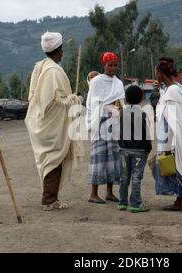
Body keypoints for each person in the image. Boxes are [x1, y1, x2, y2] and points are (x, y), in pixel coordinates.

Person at [25, 31, 84, 211]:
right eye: (62, 50)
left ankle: (51, 197)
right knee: (53, 159)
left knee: (51, 160)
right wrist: (74, 100)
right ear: (58, 51)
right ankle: (49, 200)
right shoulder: (52, 71)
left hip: (46, 124)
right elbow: (54, 100)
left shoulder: (41, 66)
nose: (63, 53)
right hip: (52, 126)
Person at [154, 57, 182, 211]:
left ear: (160, 73)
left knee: (175, 165)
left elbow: (174, 116)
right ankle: (179, 200)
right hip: (172, 133)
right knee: (172, 165)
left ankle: (180, 201)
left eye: (156, 72)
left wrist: (172, 139)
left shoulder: (173, 90)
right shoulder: (175, 88)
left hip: (173, 134)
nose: (155, 76)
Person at [86, 52, 125, 204]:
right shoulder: (97, 81)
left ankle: (110, 192)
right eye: (110, 65)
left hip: (114, 123)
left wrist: (119, 109)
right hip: (100, 122)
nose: (113, 68)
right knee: (98, 156)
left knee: (114, 157)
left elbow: (121, 101)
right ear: (104, 65)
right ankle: (93, 193)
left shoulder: (119, 83)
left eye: (115, 65)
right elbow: (92, 102)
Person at [118, 85, 152, 213]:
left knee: (124, 176)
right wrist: (148, 147)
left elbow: (118, 131)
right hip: (139, 151)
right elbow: (145, 132)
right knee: (136, 176)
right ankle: (136, 204)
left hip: (123, 149)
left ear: (126, 99)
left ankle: (122, 202)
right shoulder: (142, 114)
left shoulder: (121, 113)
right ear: (141, 98)